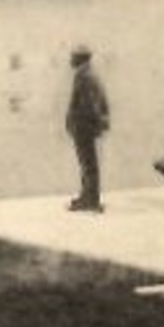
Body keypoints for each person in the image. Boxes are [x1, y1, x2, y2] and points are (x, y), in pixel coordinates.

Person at [65, 46, 110, 212]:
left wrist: (85, 124)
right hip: (84, 126)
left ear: (80, 58)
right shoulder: (87, 74)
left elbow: (91, 104)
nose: (70, 60)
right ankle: (87, 196)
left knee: (88, 163)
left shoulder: (85, 76)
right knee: (86, 163)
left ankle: (91, 200)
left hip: (84, 127)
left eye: (72, 56)